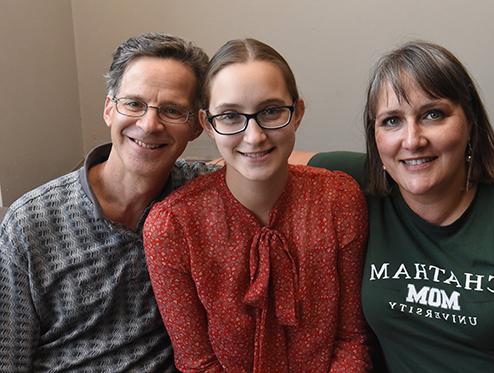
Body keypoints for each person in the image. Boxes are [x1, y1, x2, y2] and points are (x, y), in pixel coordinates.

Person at [304, 41, 494, 372]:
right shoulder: (353, 183)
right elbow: (265, 157)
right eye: (392, 121)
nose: (412, 140)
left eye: (433, 114)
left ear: (470, 122)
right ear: (375, 138)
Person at [143, 38, 372, 372]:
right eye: (231, 116)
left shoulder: (338, 201)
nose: (254, 136)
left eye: (270, 111)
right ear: (208, 125)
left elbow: (352, 340)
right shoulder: (173, 227)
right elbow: (198, 363)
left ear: (298, 113)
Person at [0, 32, 211, 372]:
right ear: (109, 110)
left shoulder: (202, 196)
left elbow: (262, 159)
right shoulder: (30, 223)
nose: (149, 124)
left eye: (172, 110)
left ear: (196, 126)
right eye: (134, 104)